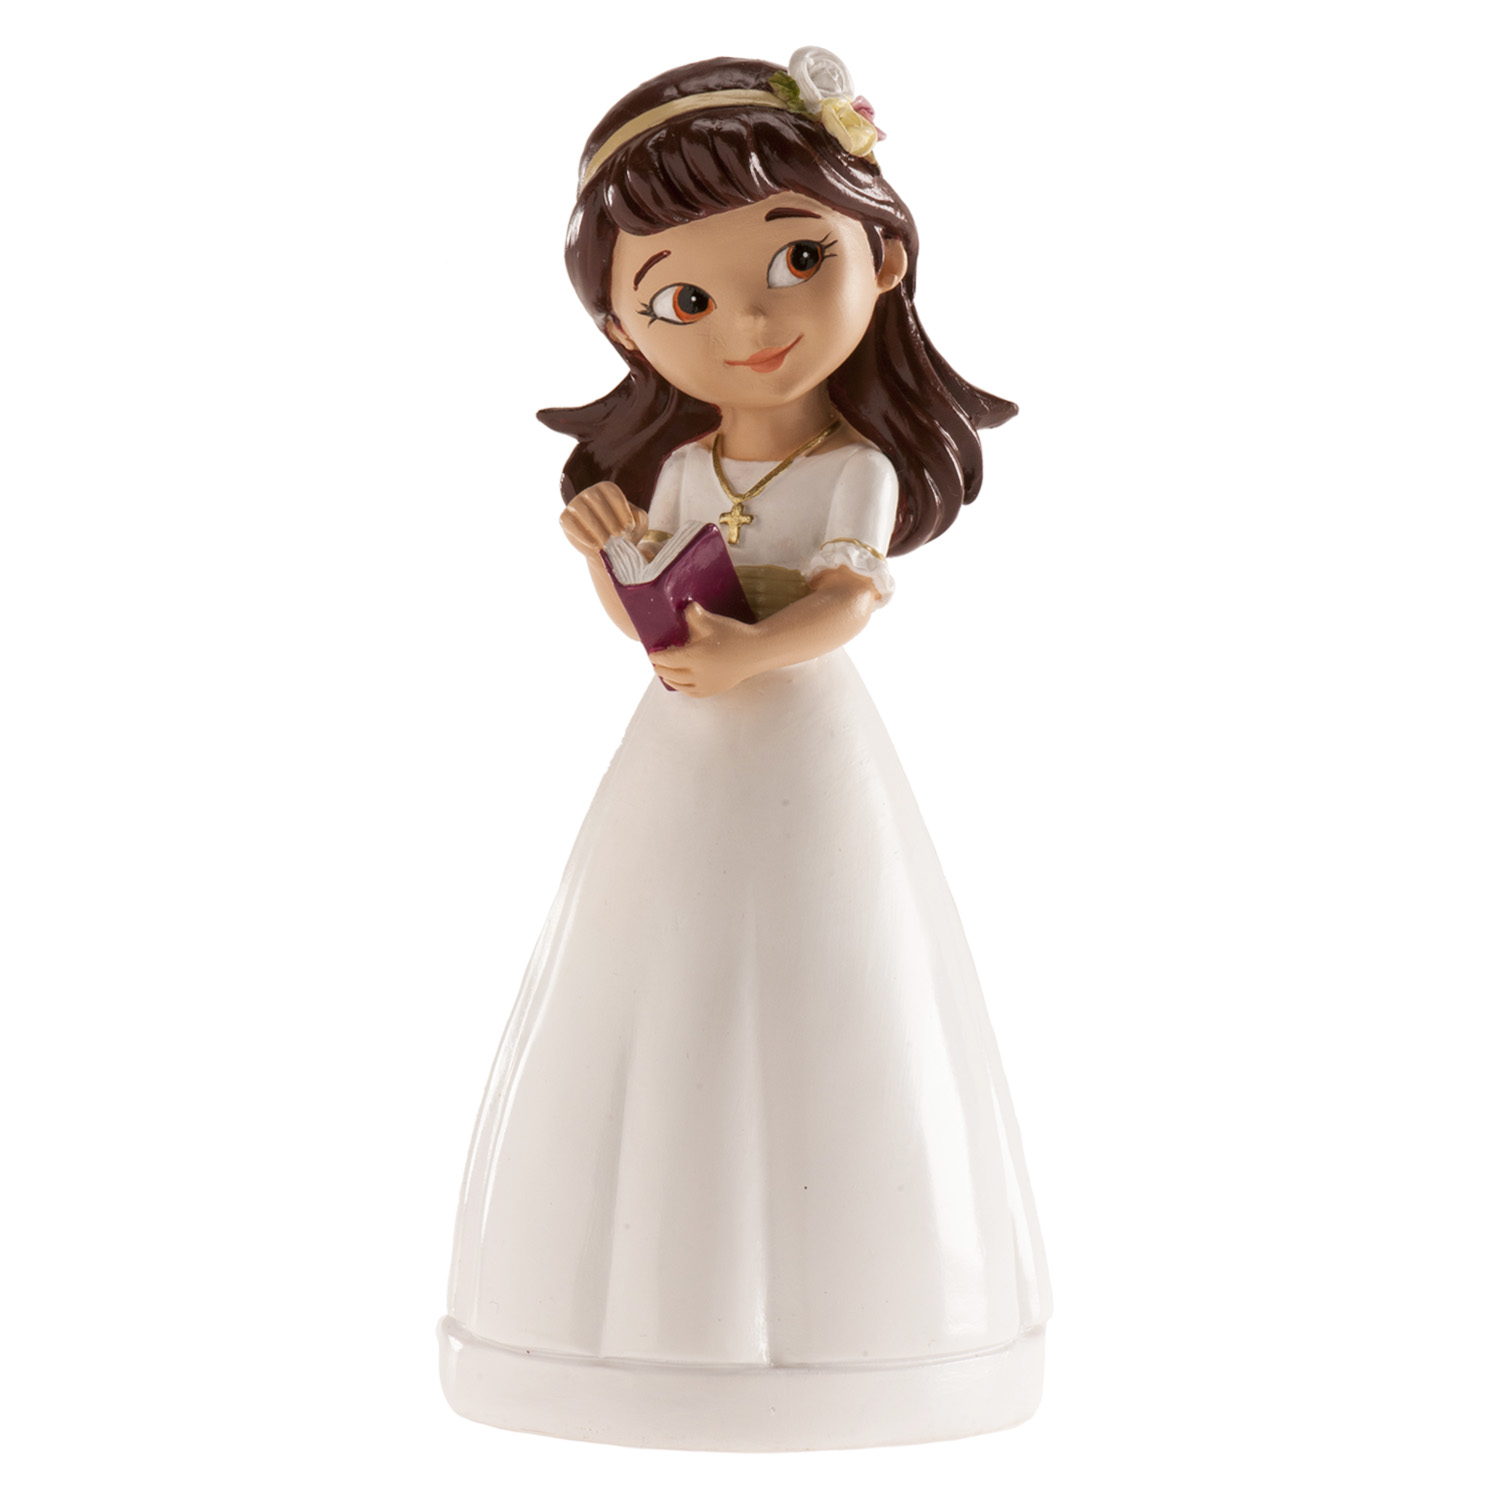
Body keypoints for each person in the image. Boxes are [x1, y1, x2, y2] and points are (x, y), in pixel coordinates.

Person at [439, 49, 1051, 1451]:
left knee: (831, 968)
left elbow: (846, 602)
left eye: (797, 259)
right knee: (657, 971)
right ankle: (623, 1317)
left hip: (801, 750)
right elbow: (652, 610)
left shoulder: (852, 470)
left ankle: (876, 1323)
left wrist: (745, 659)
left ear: (882, 257)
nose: (753, 323)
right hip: (681, 755)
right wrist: (611, 558)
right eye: (684, 300)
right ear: (624, 328)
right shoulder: (676, 469)